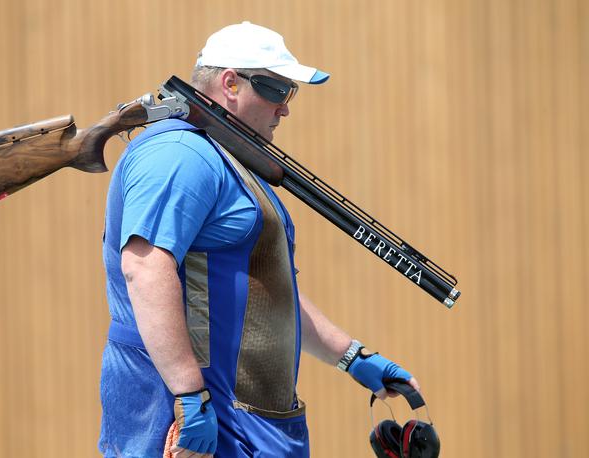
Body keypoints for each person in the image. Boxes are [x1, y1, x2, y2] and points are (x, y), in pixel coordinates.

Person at [98, 21, 420, 458]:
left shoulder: (222, 157)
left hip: (244, 421)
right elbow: (143, 267)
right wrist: (190, 396)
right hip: (200, 419)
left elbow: (263, 290)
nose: (284, 108)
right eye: (275, 90)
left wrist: (353, 357)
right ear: (230, 82)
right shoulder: (181, 154)